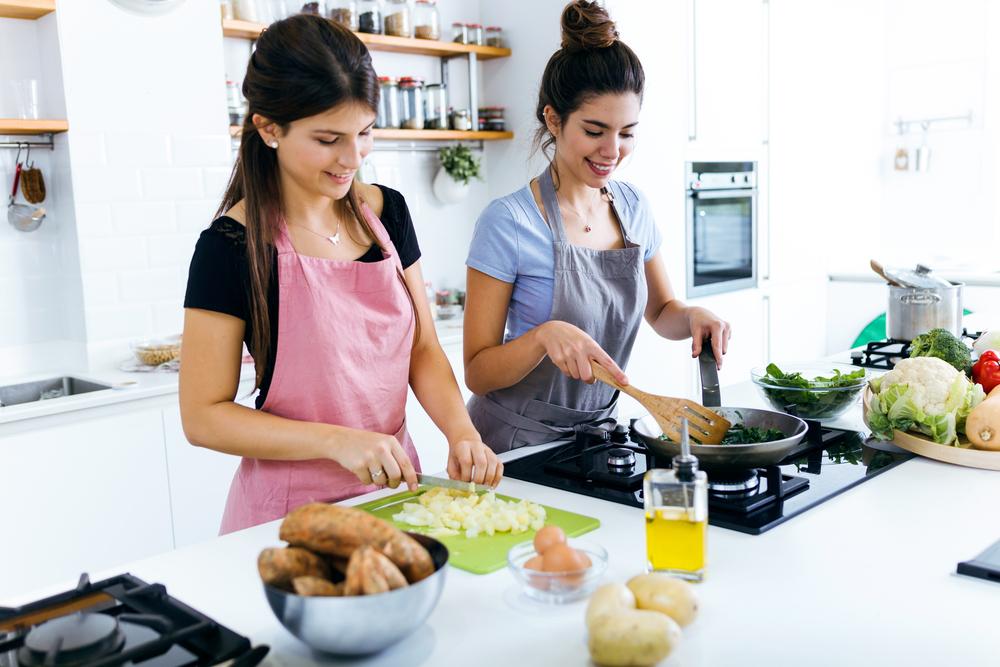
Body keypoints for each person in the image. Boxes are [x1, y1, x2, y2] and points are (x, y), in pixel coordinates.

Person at [180, 14, 502, 534]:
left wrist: (460, 431)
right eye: (329, 139)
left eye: (365, 133)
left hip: (398, 497)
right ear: (268, 128)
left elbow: (422, 348)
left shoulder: (387, 216)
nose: (352, 158)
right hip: (288, 520)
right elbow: (202, 415)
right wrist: (336, 441)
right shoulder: (230, 247)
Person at [464, 0, 732, 453]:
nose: (613, 150)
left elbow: (662, 310)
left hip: (597, 438)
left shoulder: (632, 207)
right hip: (512, 443)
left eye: (627, 132)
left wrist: (693, 318)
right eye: (594, 131)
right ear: (553, 119)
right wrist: (542, 338)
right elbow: (477, 370)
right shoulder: (509, 221)